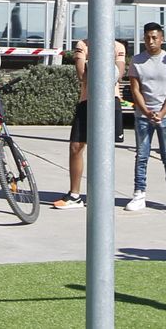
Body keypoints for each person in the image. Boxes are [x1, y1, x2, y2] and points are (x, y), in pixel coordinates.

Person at [52, 38, 125, 209]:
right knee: (76, 146)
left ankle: (101, 194)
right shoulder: (82, 45)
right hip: (87, 101)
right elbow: (82, 75)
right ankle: (75, 195)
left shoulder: (117, 46)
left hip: (110, 101)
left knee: (104, 150)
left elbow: (118, 74)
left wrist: (96, 65)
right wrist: (100, 64)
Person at [126, 23, 166, 214]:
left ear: (162, 38)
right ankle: (139, 194)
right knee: (142, 156)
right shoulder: (137, 60)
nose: (151, 41)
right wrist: (146, 111)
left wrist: (161, 112)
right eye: (147, 37)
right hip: (143, 116)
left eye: (154, 37)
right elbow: (135, 89)